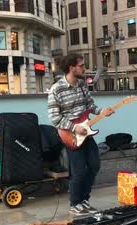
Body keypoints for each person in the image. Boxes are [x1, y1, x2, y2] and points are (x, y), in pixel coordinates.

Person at [48, 53, 114, 216]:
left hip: (86, 132)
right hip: (70, 135)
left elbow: (90, 106)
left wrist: (102, 112)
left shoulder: (83, 85)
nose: (85, 68)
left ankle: (84, 200)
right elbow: (54, 117)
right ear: (72, 68)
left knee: (94, 165)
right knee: (79, 170)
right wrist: (74, 127)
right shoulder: (57, 89)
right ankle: (74, 203)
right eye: (82, 66)